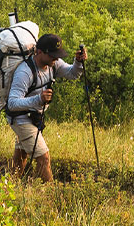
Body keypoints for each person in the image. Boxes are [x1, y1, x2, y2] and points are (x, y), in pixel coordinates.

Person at [6, 33, 86, 183]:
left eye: (57, 55)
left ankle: (11, 186)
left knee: (21, 155)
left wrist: (78, 62)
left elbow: (72, 74)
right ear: (39, 52)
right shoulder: (24, 72)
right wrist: (39, 99)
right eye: (52, 55)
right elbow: (12, 103)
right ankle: (49, 196)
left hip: (34, 117)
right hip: (21, 118)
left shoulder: (53, 63)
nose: (56, 58)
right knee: (43, 157)